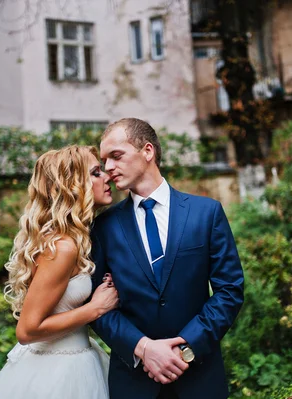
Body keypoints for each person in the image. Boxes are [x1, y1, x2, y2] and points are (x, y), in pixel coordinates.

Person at [91, 118, 244, 399]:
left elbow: (230, 290)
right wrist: (144, 348)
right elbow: (97, 307)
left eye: (116, 156)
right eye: (104, 160)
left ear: (147, 151)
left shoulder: (206, 213)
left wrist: (186, 348)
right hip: (134, 382)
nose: (108, 168)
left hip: (199, 379)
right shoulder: (103, 226)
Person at [0, 146, 119, 399]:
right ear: (73, 185)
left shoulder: (75, 239)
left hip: (78, 356)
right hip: (59, 373)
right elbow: (27, 330)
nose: (107, 177)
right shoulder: (63, 247)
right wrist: (96, 308)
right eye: (95, 173)